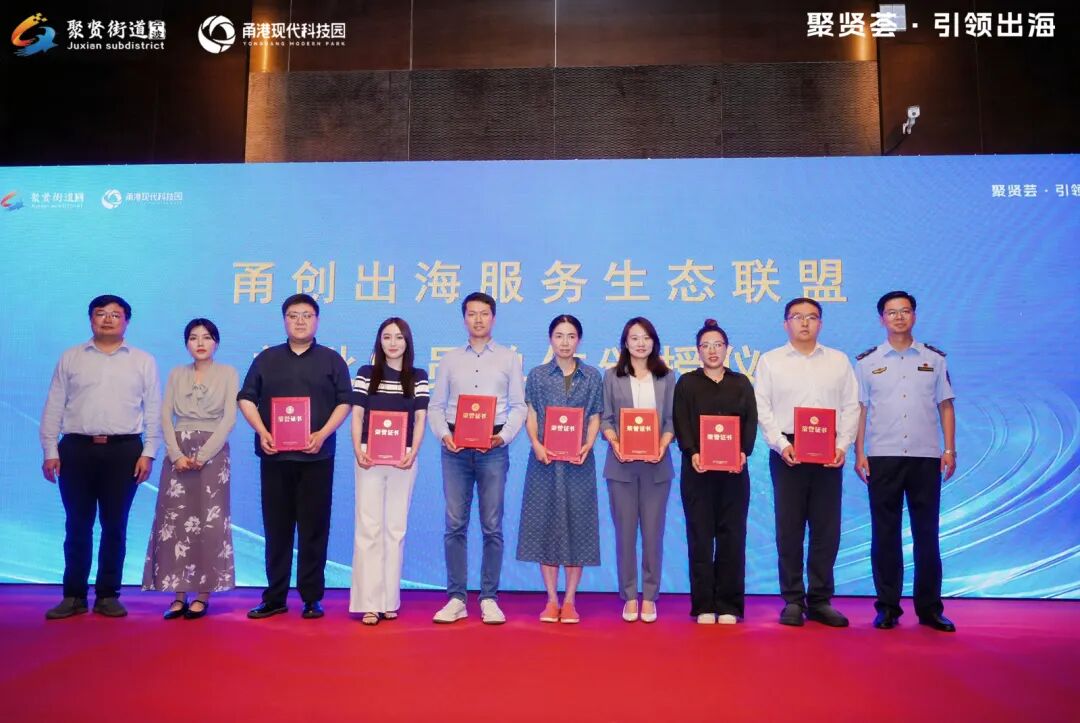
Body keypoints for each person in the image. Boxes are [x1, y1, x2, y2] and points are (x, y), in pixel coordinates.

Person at [40, 294, 161, 619]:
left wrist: (149, 452)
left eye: (115, 314)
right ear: (91, 319)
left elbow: (153, 409)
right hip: (76, 449)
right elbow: (54, 405)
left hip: (125, 451)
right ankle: (74, 596)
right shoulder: (71, 357)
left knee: (115, 525)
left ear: (126, 321)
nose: (108, 319)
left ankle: (108, 594)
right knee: (77, 525)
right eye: (101, 313)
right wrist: (50, 450)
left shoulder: (143, 361)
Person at [238, 293, 353, 620]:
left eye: (306, 315)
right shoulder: (266, 359)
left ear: (317, 320)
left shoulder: (332, 360)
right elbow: (246, 398)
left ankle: (311, 598)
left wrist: (323, 433)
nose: (300, 321)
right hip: (275, 458)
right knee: (277, 530)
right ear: (284, 320)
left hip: (317, 458)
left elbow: (345, 402)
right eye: (293, 315)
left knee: (314, 530)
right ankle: (274, 597)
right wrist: (263, 431)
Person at [854, 291, 957, 632]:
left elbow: (946, 405)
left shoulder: (934, 359)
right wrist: (859, 452)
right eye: (891, 312)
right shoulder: (867, 362)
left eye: (905, 311)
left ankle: (930, 609)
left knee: (927, 534)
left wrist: (949, 449)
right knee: (885, 534)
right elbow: (860, 410)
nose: (899, 317)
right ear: (881, 319)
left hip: (925, 456)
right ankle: (887, 607)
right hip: (882, 457)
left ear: (914, 316)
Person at [754, 297, 858, 628]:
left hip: (828, 452)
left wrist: (842, 445)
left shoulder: (838, 361)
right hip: (789, 451)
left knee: (826, 528)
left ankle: (821, 600)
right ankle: (793, 600)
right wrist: (781, 444)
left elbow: (851, 406)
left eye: (811, 317)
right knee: (789, 528)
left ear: (820, 324)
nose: (804, 323)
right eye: (797, 317)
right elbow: (762, 408)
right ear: (785, 323)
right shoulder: (771, 361)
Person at [427, 292, 526, 624]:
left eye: (484, 313)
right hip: (455, 449)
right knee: (455, 524)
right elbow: (436, 406)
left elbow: (519, 406)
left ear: (493, 318)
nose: (478, 319)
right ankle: (456, 597)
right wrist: (445, 435)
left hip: (493, 448)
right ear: (464, 318)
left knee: (492, 525)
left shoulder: (509, 359)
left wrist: (502, 437)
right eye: (472, 314)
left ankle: (489, 598)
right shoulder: (450, 359)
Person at [142, 318, 238, 620]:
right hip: (178, 452)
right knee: (175, 522)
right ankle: (178, 594)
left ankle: (203, 594)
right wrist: (175, 454)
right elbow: (165, 415)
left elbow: (229, 419)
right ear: (186, 344)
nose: (200, 343)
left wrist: (204, 455)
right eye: (194, 337)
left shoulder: (228, 373)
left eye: (207, 337)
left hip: (213, 453)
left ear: (216, 342)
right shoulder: (176, 373)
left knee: (209, 522)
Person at [517, 315, 603, 624]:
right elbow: (531, 414)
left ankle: (570, 601)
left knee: (578, 527)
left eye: (571, 336)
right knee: (545, 526)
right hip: (544, 463)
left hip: (579, 463)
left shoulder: (592, 376)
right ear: (550, 339)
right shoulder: (538, 375)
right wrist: (536, 444)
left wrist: (588, 444)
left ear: (579, 340)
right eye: (559, 336)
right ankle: (551, 599)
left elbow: (595, 415)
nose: (565, 342)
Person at [673, 319, 758, 625]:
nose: (712, 351)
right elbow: (681, 421)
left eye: (718, 345)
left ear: (727, 349)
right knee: (700, 537)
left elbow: (751, 421)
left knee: (732, 538)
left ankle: (730, 605)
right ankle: (703, 605)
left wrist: (743, 451)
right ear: (697, 350)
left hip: (734, 473)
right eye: (706, 345)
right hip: (697, 472)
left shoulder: (741, 383)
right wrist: (692, 452)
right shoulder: (687, 383)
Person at [350, 317, 429, 625]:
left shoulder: (418, 377)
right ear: (379, 341)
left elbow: (420, 419)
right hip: (369, 456)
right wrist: (358, 449)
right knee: (368, 527)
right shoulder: (366, 373)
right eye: (387, 337)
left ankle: (388, 601)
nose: (393, 343)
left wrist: (413, 452)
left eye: (399, 337)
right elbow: (358, 415)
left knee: (395, 529)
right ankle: (369, 603)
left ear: (407, 342)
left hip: (403, 458)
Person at [600, 317, 676, 623]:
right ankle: (630, 595)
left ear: (654, 342)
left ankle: (650, 596)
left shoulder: (667, 377)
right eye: (634, 338)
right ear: (625, 343)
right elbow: (606, 418)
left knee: (653, 535)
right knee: (625, 534)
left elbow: (671, 420)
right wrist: (616, 442)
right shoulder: (611, 376)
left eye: (646, 337)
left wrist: (663, 445)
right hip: (621, 467)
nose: (640, 343)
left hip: (657, 467)